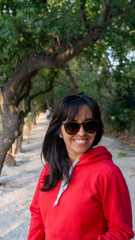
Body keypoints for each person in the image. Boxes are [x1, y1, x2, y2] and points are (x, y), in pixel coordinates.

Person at [27, 94, 134, 240]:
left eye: (89, 125)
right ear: (59, 131)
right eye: (72, 126)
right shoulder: (50, 167)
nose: (82, 133)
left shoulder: (108, 172)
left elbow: (122, 230)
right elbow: (37, 213)